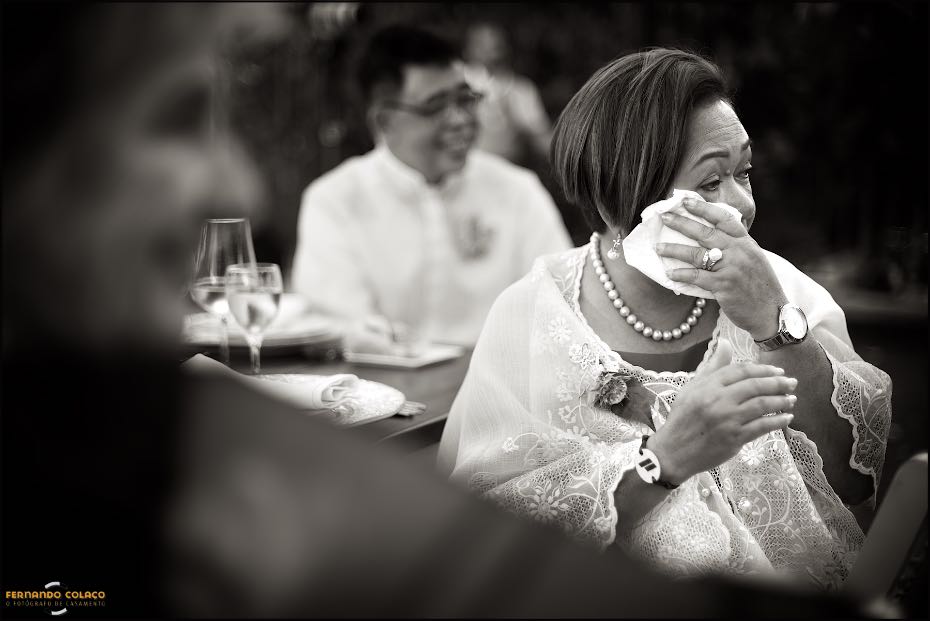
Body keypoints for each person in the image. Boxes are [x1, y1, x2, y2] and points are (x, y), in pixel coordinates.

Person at [438, 48, 893, 590]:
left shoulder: (779, 286)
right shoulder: (534, 313)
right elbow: (498, 538)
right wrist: (663, 460)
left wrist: (775, 324)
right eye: (709, 183)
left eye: (743, 173)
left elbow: (853, 483)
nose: (741, 205)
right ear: (619, 194)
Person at [290, 25, 572, 350]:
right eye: (436, 106)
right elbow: (341, 326)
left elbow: (560, 304)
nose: (460, 120)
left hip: (501, 388)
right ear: (384, 121)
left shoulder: (517, 191)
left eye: (465, 99)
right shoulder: (334, 200)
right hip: (384, 389)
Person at [463, 21, 553, 164]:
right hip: (463, 172)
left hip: (507, 169)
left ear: (505, 48)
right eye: (481, 44)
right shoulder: (458, 84)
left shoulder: (522, 90)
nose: (489, 50)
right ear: (468, 49)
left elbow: (542, 139)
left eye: (495, 44)